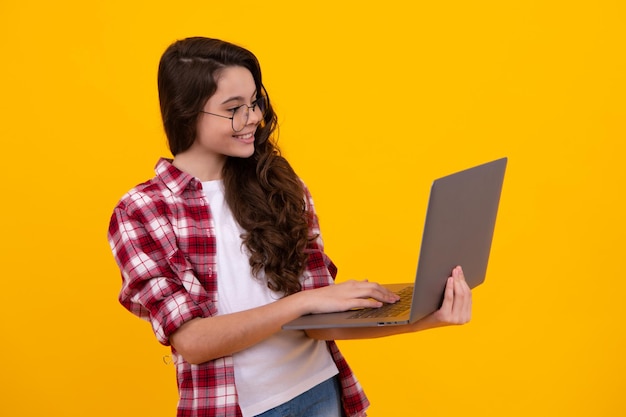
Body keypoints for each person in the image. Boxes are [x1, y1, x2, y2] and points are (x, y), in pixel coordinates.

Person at [107, 36, 472, 417]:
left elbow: (321, 321)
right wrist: (304, 301)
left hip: (321, 393)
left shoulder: (279, 185)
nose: (252, 119)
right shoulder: (142, 211)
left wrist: (427, 318)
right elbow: (194, 341)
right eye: (233, 108)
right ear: (186, 113)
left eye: (254, 103)